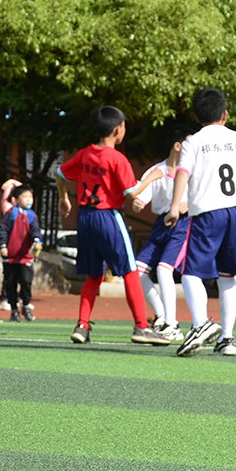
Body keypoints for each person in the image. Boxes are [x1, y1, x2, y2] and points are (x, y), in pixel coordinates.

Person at [162, 88, 236, 358]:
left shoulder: (194, 141)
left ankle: (200, 325)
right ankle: (227, 338)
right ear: (225, 114)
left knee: (191, 273)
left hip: (208, 212)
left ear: (197, 116)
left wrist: (174, 207)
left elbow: (183, 173)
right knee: (228, 275)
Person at [55, 105, 168, 347]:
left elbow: (60, 173)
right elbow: (133, 192)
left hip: (85, 218)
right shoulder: (117, 158)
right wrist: (151, 177)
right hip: (107, 217)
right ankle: (142, 326)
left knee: (94, 275)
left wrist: (63, 198)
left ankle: (82, 325)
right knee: (130, 271)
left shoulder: (85, 154)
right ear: (118, 130)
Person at [128, 123, 196, 343]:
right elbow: (140, 198)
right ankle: (162, 316)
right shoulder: (156, 171)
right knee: (137, 271)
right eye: (189, 142)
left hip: (184, 224)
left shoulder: (194, 171)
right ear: (177, 146)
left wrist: (186, 206)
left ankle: (172, 325)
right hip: (161, 224)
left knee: (164, 269)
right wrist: (138, 203)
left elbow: (201, 198)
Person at [0, 184, 45, 322]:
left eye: (30, 197)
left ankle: (26, 305)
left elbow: (35, 231)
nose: (28, 199)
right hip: (10, 257)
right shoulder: (11, 214)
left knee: (26, 282)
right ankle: (14, 310)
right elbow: (1, 230)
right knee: (10, 284)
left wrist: (37, 241)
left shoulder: (32, 216)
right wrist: (3, 246)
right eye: (25, 197)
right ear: (16, 200)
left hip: (25, 257)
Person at [0, 178, 22, 311]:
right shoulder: (9, 210)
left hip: (20, 247)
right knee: (9, 274)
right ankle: (5, 298)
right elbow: (5, 187)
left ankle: (18, 298)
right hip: (10, 246)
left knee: (21, 274)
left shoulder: (25, 213)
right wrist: (12, 182)